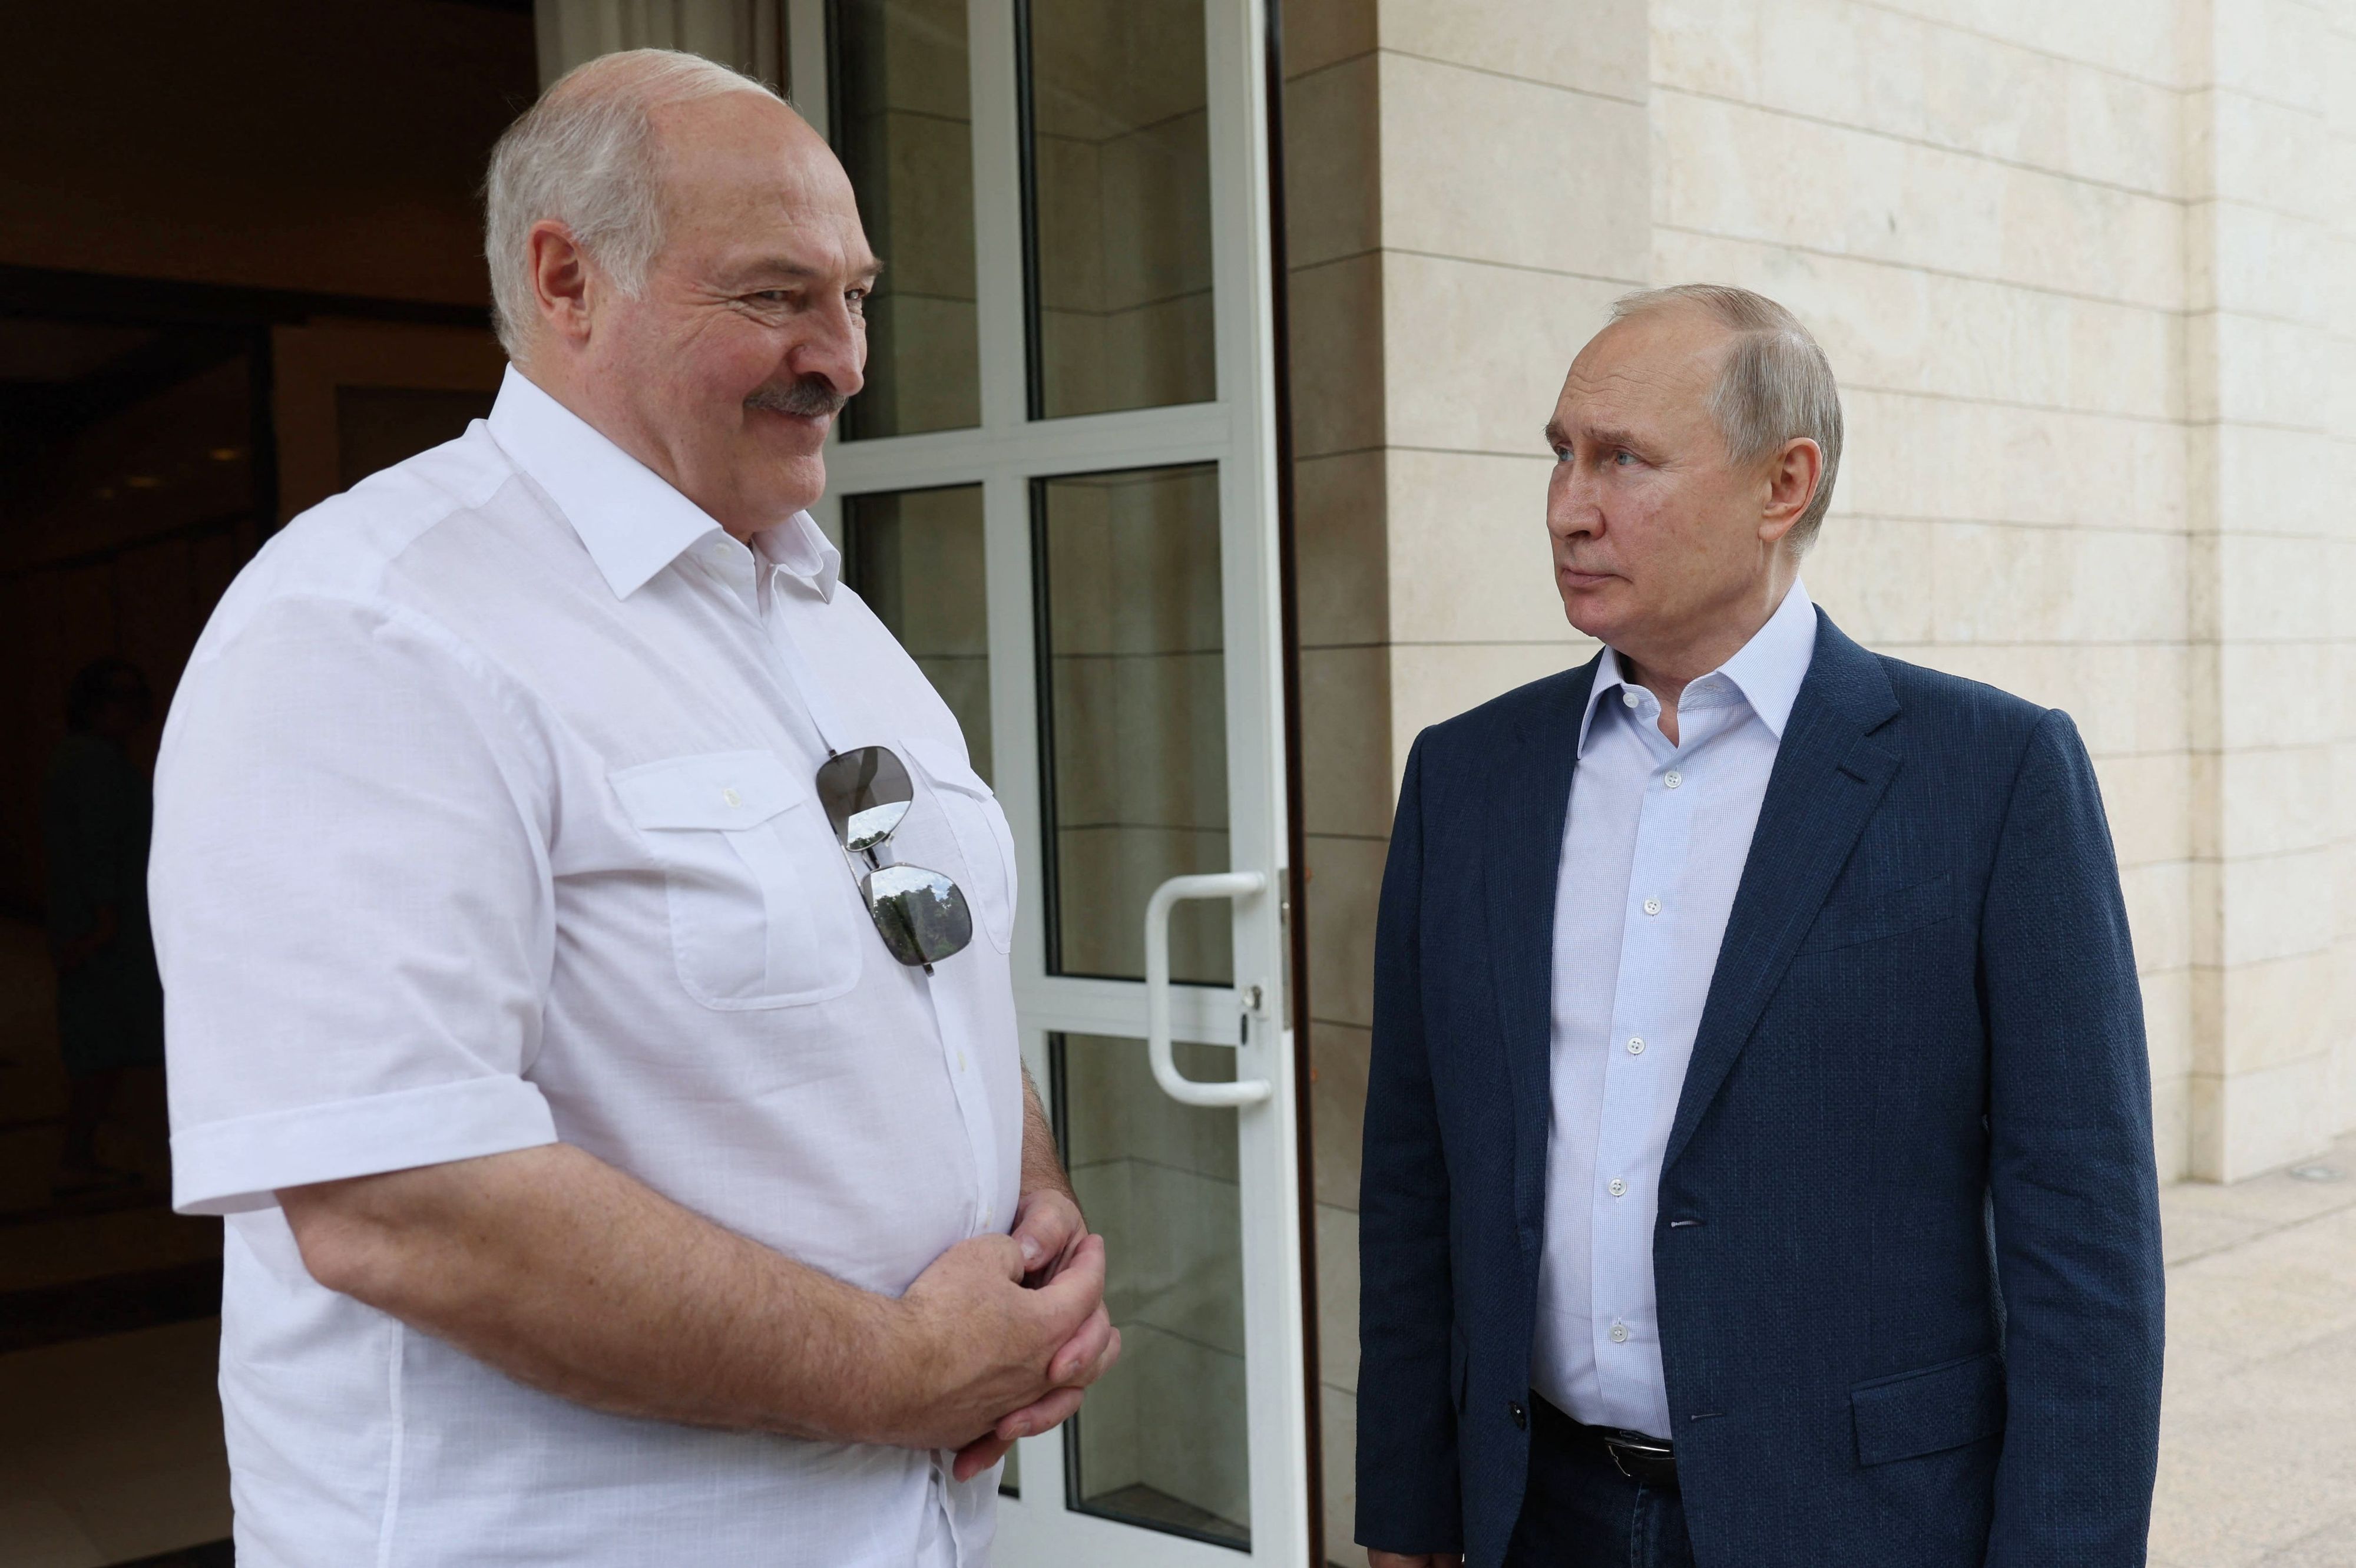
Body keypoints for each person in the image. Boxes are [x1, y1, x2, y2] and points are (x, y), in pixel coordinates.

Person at [150, 49, 1116, 1567]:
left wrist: (1027, 1205)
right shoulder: (368, 622)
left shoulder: (826, 619)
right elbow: (400, 1198)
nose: (843, 358)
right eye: (776, 295)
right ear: (567, 281)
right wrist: (904, 1369)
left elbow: (923, 968)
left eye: (854, 296)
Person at [1354, 285, 2163, 1568]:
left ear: (1782, 485)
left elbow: (2086, 1243)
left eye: (1623, 459)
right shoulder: (1466, 778)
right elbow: (1414, 1178)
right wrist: (1406, 1510)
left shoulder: (1991, 776)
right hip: (1534, 1513)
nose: (1568, 506)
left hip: (1859, 1527)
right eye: (1560, 454)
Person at [44, 656, 164, 1194]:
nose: (130, 709)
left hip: (99, 926)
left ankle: (80, 1154)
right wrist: (103, 921)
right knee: (100, 1047)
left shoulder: (89, 757)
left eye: (136, 697)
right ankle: (76, 1157)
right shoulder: (93, 762)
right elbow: (96, 844)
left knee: (101, 1046)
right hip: (103, 932)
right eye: (118, 697)